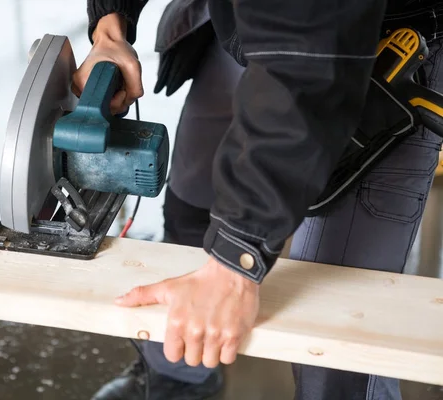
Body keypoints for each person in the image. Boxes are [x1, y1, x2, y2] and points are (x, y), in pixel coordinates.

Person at [73, 1, 443, 399]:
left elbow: (307, 64)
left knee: (340, 340)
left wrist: (238, 257)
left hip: (374, 47)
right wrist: (110, 27)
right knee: (193, 207)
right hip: (250, 24)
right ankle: (178, 376)